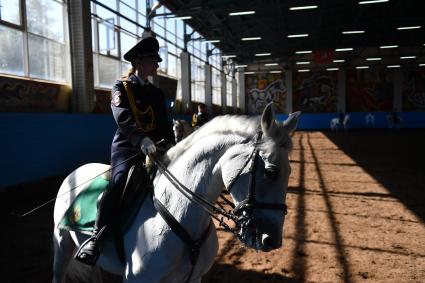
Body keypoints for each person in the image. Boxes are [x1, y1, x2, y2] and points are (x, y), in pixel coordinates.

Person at [75, 36, 175, 265]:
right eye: (153, 60)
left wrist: (170, 143)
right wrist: (141, 140)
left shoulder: (157, 94)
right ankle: (96, 237)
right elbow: (123, 118)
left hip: (155, 149)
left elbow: (164, 123)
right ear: (139, 62)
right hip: (127, 148)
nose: (157, 65)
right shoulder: (121, 88)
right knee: (119, 182)